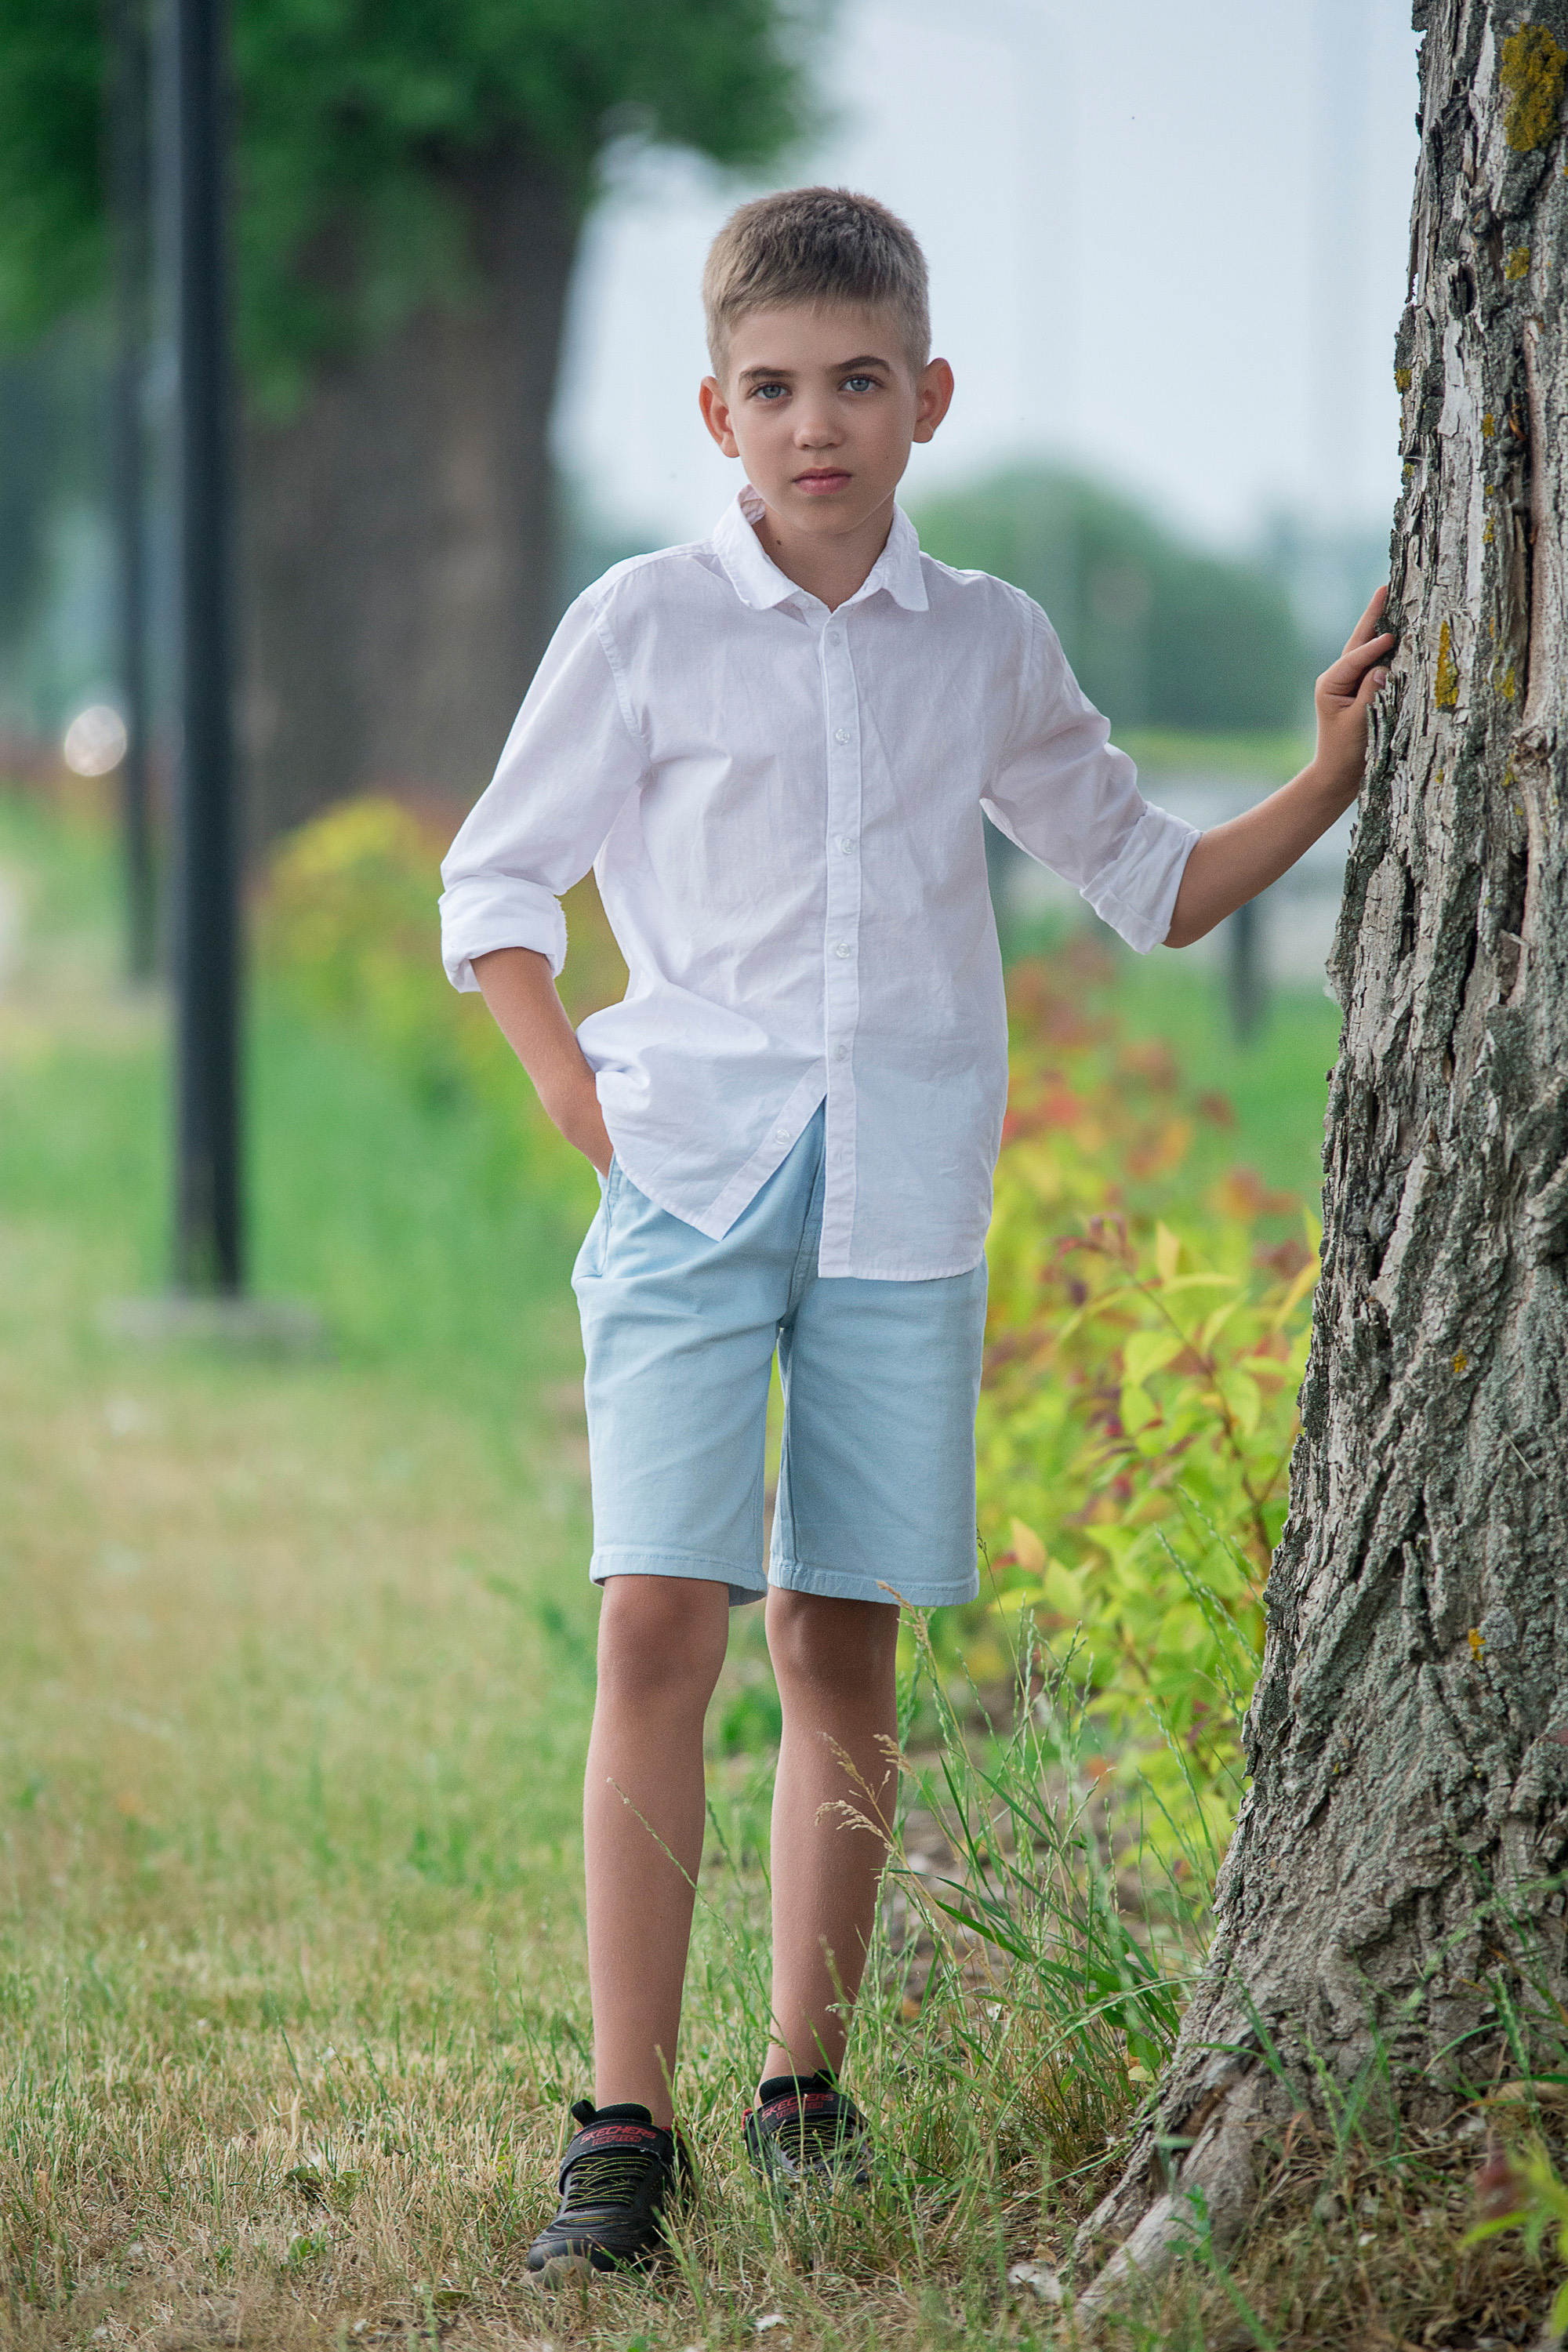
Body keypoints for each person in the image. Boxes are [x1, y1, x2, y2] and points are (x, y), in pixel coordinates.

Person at [437, 185, 1392, 2278]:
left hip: (899, 1191)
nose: (817, 425)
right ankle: (622, 2125)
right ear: (716, 411)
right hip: (689, 1187)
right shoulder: (642, 625)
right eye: (773, 390)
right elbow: (495, 892)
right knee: (657, 1628)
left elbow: (1143, 879)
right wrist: (582, 1098)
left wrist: (1323, 784)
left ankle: (804, 2090)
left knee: (839, 1643)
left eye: (857, 382)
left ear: (926, 395)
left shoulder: (989, 648)